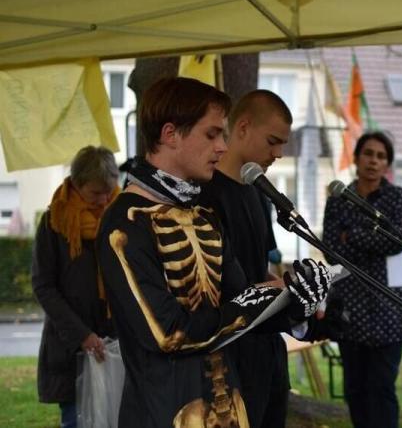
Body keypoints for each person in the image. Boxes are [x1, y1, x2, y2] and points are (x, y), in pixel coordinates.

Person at [96, 77, 330, 428]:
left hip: (231, 411)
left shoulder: (203, 215)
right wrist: (257, 302)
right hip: (162, 412)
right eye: (212, 134)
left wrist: (298, 300)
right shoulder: (124, 222)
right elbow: (169, 333)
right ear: (170, 134)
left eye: (222, 134)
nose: (222, 147)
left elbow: (241, 300)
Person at [199, 89, 294, 428]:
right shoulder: (206, 196)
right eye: (272, 141)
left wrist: (296, 289)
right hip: (231, 354)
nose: (278, 154)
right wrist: (278, 290)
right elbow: (221, 283)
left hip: (268, 346)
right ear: (242, 127)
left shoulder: (258, 192)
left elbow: (260, 266)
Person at [322, 131, 402, 428]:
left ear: (387, 163)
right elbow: (332, 251)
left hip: (388, 308)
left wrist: (352, 234)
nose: (374, 161)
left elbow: (397, 240)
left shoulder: (397, 197)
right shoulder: (338, 198)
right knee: (356, 390)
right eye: (369, 154)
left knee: (382, 388)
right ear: (357, 158)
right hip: (350, 308)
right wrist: (369, 237)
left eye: (381, 156)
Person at [31, 145, 120, 428]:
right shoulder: (55, 222)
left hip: (118, 344)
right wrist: (82, 335)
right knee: (77, 421)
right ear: (77, 185)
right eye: (96, 193)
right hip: (71, 349)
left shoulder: (121, 216)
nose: (104, 200)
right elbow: (44, 285)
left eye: (109, 191)